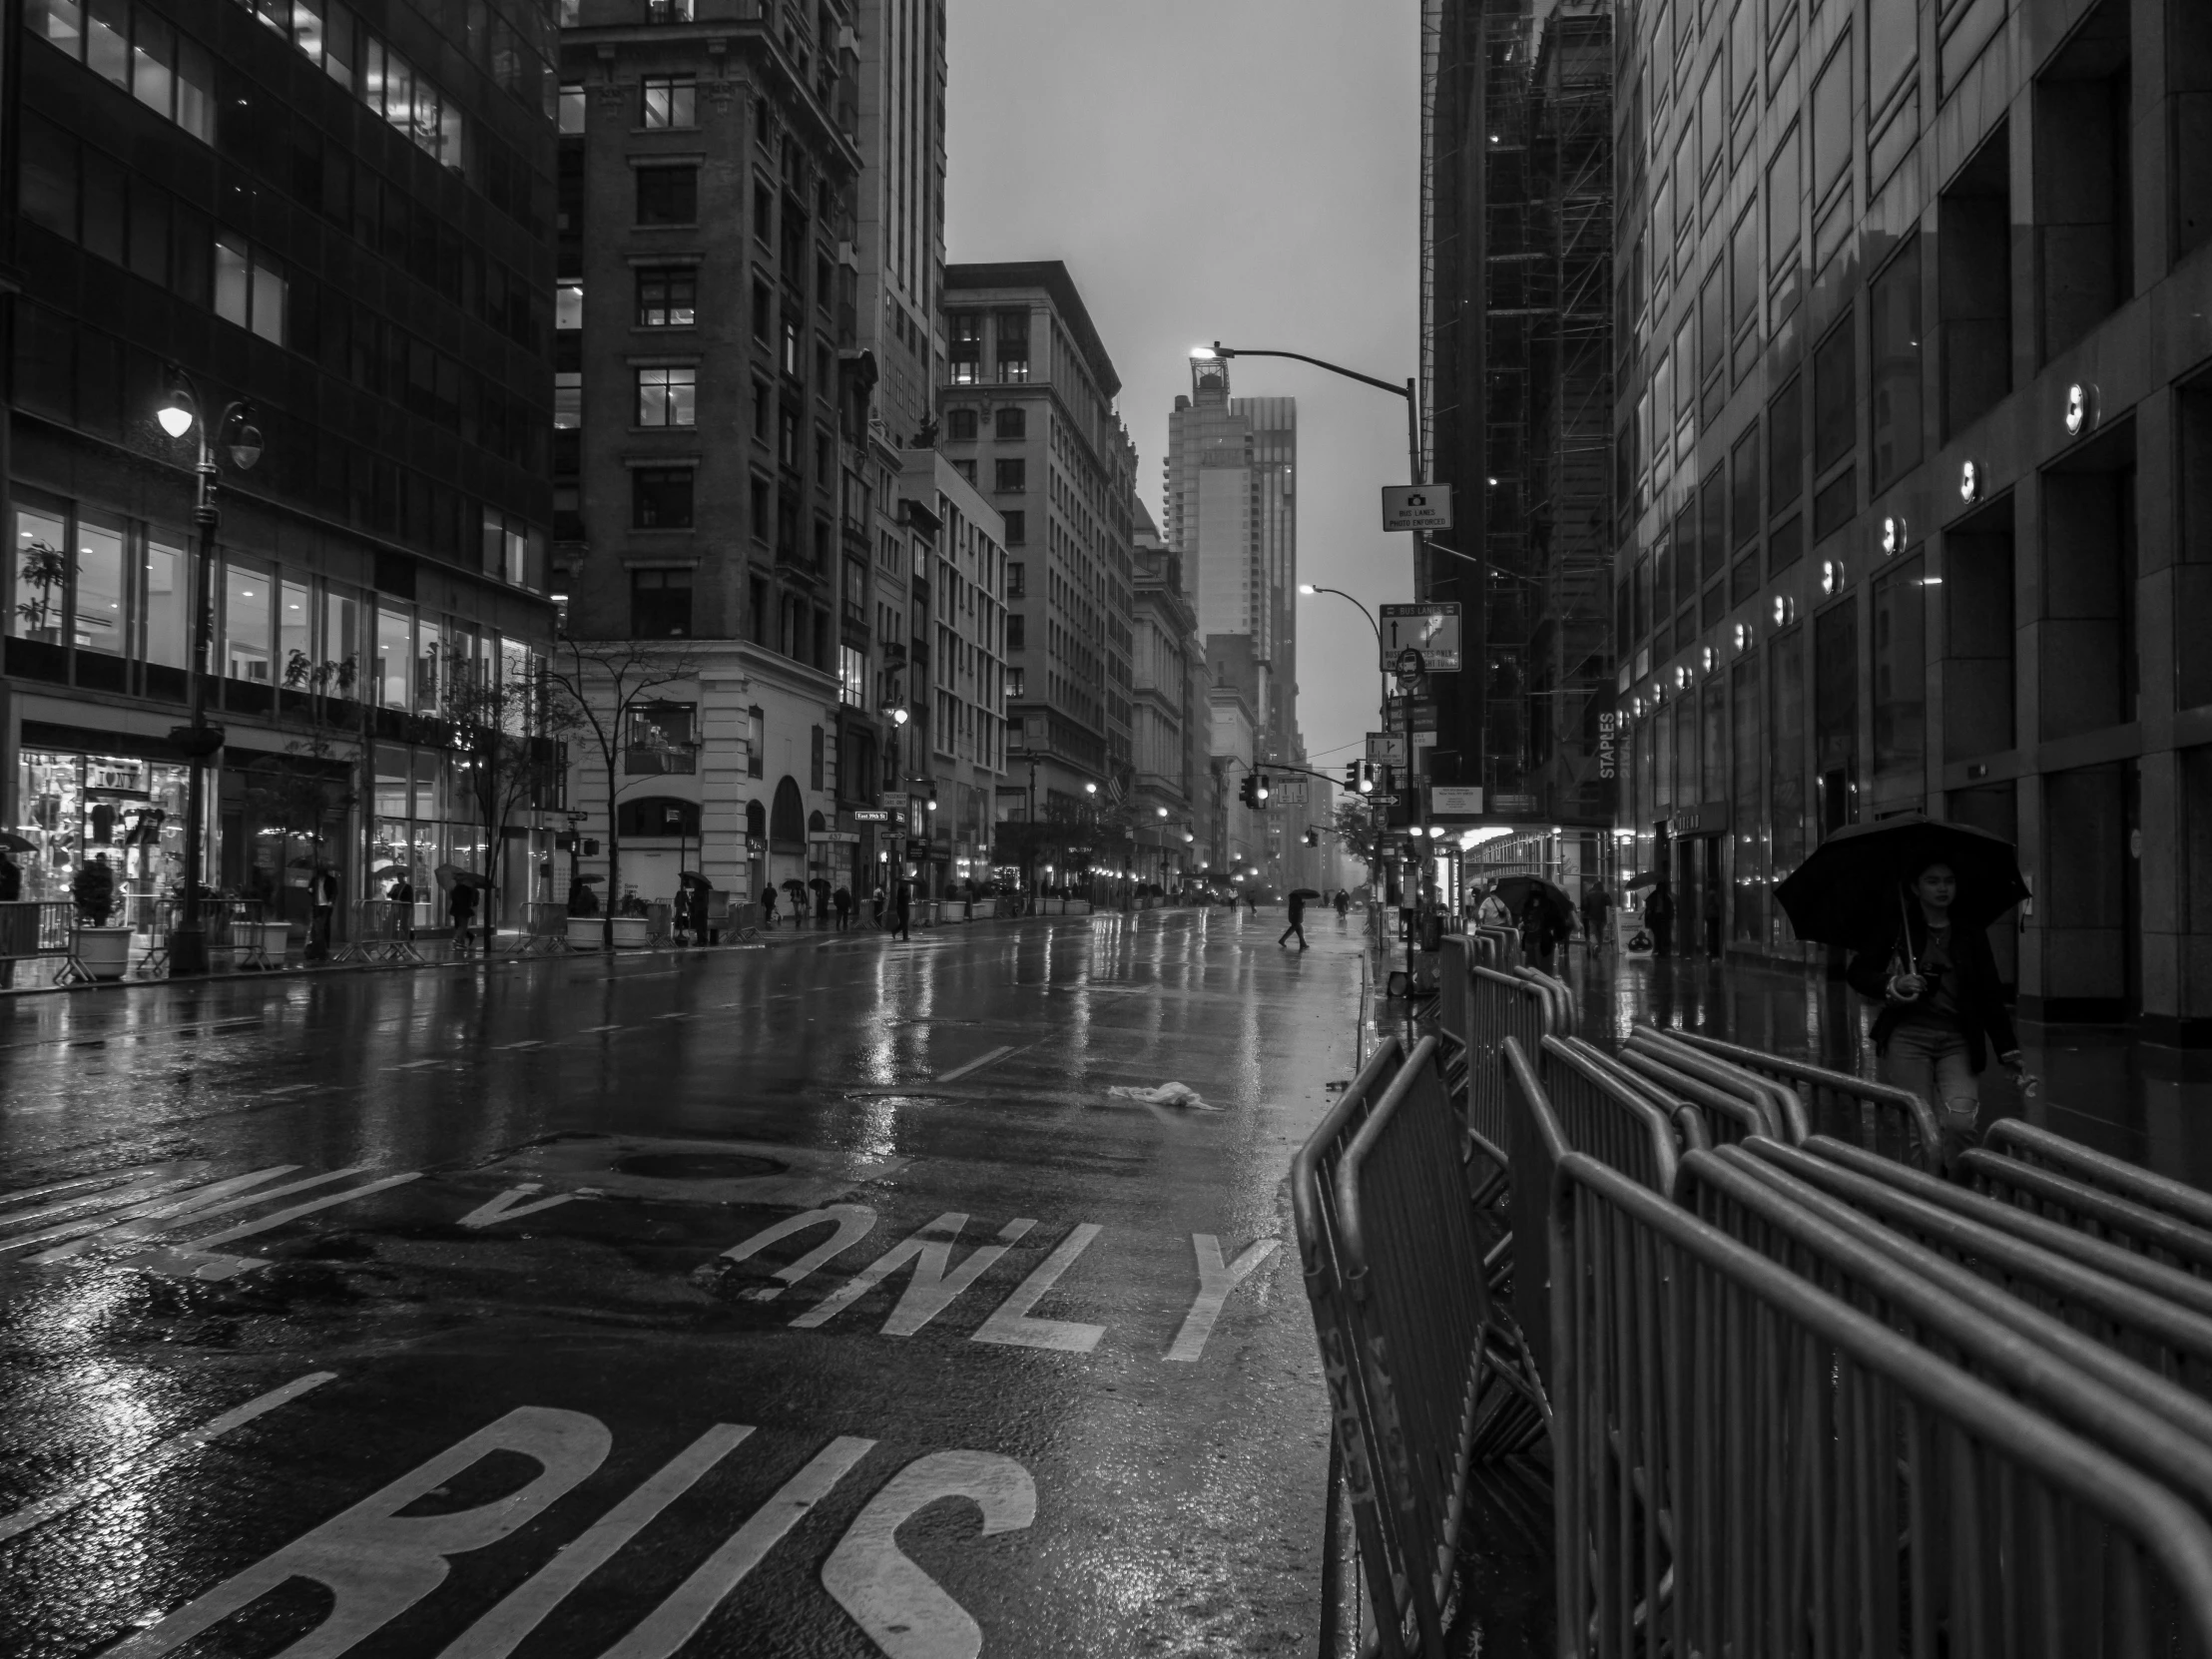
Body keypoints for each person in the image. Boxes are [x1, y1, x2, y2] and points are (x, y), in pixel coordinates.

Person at [1848, 858, 2025, 1174]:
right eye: (1932, 881)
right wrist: (1893, 983)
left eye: (1948, 881)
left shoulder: (1969, 932)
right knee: (1920, 1128)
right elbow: (1858, 973)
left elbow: (1989, 993)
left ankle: (1958, 1195)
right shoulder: (1897, 928)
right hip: (1907, 1037)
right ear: (1915, 888)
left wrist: (2008, 1051)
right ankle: (1926, 1201)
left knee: (1960, 1123)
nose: (1942, 888)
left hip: (1958, 1040)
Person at [0, 847, 21, 987]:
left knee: (3, 933)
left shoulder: (12, 870)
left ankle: (4, 951)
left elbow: (12, 891)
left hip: (5, 906)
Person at [308, 863, 338, 958]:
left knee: (325, 925)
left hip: (326, 905)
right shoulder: (315, 880)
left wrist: (331, 901)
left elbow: (334, 891)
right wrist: (310, 890)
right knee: (316, 926)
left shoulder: (331, 880)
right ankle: (317, 945)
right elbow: (310, 890)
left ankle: (325, 945)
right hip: (317, 905)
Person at [1644, 882, 1674, 956]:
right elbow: (1649, 906)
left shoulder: (1666, 897)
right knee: (1657, 933)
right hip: (1655, 916)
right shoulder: (1653, 896)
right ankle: (1658, 948)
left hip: (1663, 917)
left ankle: (1661, 948)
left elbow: (1669, 908)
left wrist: (1670, 917)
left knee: (1662, 933)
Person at [447, 878, 478, 952]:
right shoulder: (469, 889)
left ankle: (459, 940)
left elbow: (453, 898)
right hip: (464, 909)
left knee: (460, 925)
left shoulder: (456, 888)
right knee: (463, 925)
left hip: (457, 909)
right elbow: (473, 900)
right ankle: (458, 940)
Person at [1580, 882, 1612, 951]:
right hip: (1602, 918)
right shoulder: (1605, 895)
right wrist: (1609, 919)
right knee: (1600, 932)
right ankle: (1599, 947)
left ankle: (1595, 946)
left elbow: (1584, 907)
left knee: (1592, 932)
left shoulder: (1589, 895)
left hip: (1592, 917)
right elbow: (1609, 905)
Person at [892, 876, 912, 941]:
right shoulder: (900, 890)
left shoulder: (906, 890)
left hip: (906, 907)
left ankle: (895, 931)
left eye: (907, 884)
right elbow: (900, 899)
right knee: (904, 922)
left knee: (904, 922)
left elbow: (908, 898)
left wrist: (908, 895)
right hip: (901, 907)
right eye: (906, 883)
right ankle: (904, 936)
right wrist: (905, 895)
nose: (907, 885)